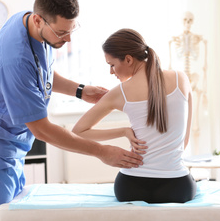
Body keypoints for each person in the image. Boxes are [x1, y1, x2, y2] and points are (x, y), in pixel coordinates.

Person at [0, 0, 143, 221]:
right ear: (39, 20)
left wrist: (79, 91)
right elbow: (42, 129)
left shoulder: (28, 22)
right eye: (61, 33)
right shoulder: (14, 59)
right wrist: (102, 152)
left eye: (71, 30)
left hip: (12, 145)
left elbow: (41, 73)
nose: (68, 39)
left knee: (13, 215)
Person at [72, 28, 196, 203]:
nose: (111, 72)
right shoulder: (180, 79)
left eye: (112, 65)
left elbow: (78, 131)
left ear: (128, 59)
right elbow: (184, 140)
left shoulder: (119, 92)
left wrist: (123, 131)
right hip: (177, 186)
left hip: (130, 186)